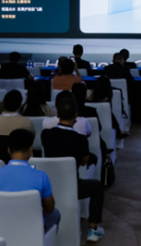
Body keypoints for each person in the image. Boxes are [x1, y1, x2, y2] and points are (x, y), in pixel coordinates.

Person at [41, 98, 105, 241]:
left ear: (57, 113)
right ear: (76, 114)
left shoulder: (45, 134)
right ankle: (93, 228)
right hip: (72, 186)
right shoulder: (80, 140)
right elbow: (83, 162)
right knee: (97, 187)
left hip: (49, 185)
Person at [0, 129, 60, 232]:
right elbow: (49, 209)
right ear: (30, 150)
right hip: (31, 231)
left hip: (0, 229)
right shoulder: (41, 177)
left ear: (8, 150)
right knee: (55, 214)